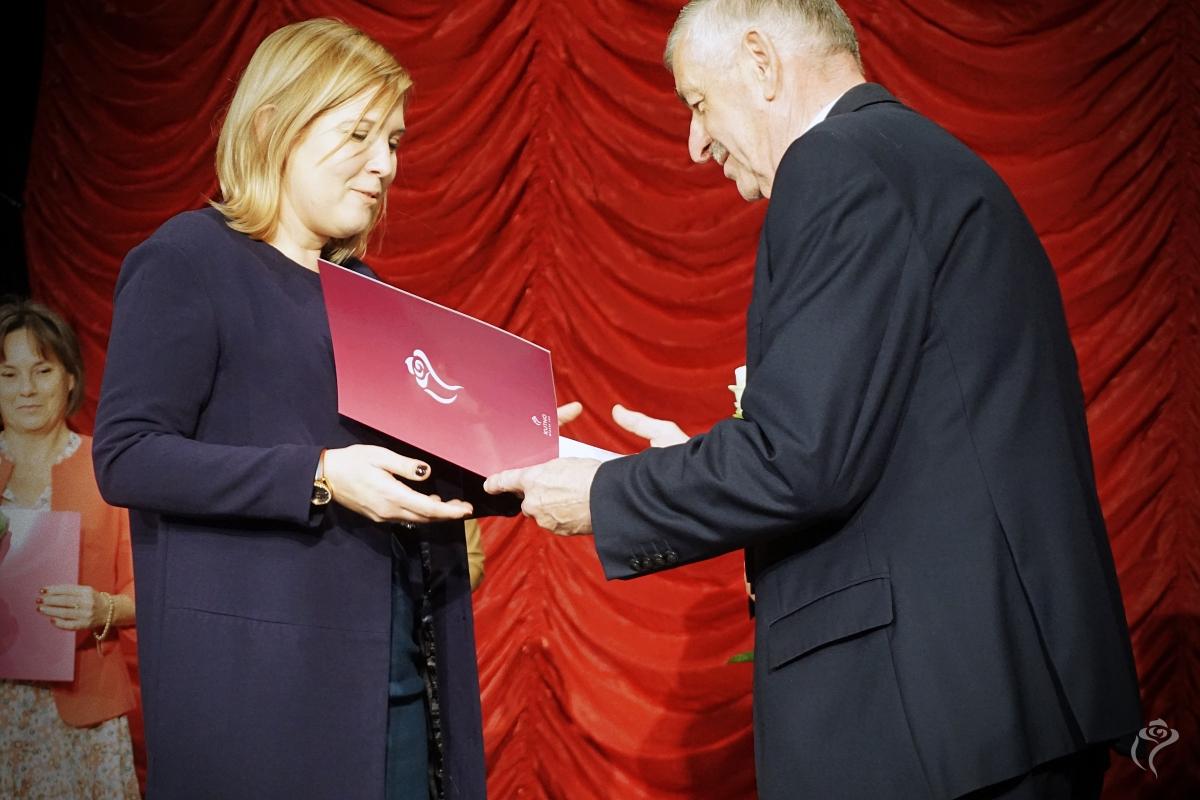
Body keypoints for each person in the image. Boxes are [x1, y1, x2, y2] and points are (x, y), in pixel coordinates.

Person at [485, 1, 1143, 798]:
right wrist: (697, 463)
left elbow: (803, 460)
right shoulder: (922, 161)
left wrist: (602, 492)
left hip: (936, 714)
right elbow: (896, 443)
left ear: (760, 62)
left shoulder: (840, 162)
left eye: (698, 102)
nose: (695, 142)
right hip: (993, 698)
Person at [93, 19, 487, 800]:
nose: (385, 165)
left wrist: (505, 452)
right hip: (263, 705)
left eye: (394, 142)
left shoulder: (367, 291)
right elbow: (128, 455)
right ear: (272, 127)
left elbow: (400, 471)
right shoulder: (188, 259)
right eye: (359, 135)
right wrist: (317, 476)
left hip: (395, 681)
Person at [0, 300, 139, 799]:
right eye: (8, 374)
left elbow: (148, 592)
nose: (26, 388)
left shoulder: (108, 471)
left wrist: (102, 608)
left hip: (84, 714)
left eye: (42, 370)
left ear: (71, 378)